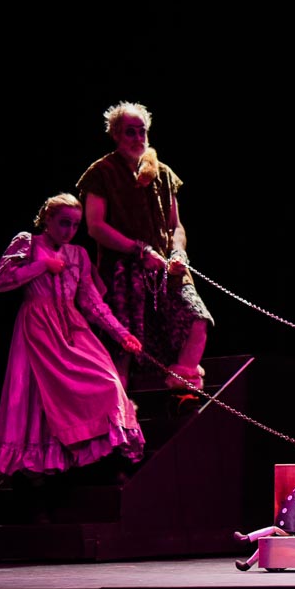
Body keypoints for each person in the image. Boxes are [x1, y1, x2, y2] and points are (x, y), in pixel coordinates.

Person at [0, 193, 145, 516]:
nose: (69, 230)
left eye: (75, 225)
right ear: (48, 219)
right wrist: (41, 266)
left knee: (108, 383)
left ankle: (105, 464)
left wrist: (121, 333)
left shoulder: (78, 254)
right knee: (38, 402)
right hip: (38, 329)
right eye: (63, 223)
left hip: (71, 325)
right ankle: (38, 481)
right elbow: (0, 281)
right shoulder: (27, 243)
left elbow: (92, 302)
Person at [76, 101, 213, 392]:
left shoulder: (162, 172)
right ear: (116, 134)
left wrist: (178, 252)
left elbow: (176, 226)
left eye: (142, 131)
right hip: (123, 271)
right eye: (130, 132)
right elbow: (95, 226)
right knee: (125, 344)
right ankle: (119, 409)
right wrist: (139, 250)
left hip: (165, 268)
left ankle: (182, 387)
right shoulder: (101, 172)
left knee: (198, 320)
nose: (138, 138)